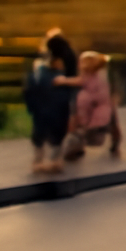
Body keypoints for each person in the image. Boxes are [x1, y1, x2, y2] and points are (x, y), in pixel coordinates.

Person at [24, 34, 77, 174]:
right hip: (57, 110)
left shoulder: (40, 74)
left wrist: (32, 107)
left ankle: (41, 159)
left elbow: (29, 91)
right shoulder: (65, 69)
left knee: (41, 133)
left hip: (45, 109)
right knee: (55, 134)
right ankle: (53, 159)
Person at [63, 51, 120, 160]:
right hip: (88, 105)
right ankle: (76, 147)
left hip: (100, 106)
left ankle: (115, 143)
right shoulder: (91, 74)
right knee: (77, 124)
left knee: (110, 124)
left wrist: (63, 81)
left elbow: (102, 91)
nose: (82, 65)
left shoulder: (100, 75)